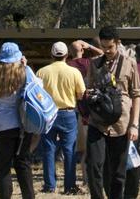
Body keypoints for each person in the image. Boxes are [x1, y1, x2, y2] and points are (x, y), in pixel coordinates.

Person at [86, 26, 140, 199]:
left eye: (110, 47)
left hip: (121, 124)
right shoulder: (94, 64)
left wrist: (134, 125)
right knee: (94, 165)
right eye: (103, 47)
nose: (107, 51)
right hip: (98, 122)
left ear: (118, 43)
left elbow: (136, 95)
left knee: (118, 172)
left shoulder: (130, 63)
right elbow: (88, 89)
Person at [0, 42, 39, 199]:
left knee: (3, 167)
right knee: (23, 164)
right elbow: (36, 88)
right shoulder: (24, 71)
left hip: (1, 124)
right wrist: (26, 66)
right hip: (22, 123)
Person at [37, 42, 86, 195]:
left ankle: (49, 185)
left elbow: (37, 95)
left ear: (51, 55)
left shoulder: (41, 72)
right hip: (68, 113)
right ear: (67, 55)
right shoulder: (74, 72)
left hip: (48, 114)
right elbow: (81, 94)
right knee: (69, 150)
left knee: (48, 149)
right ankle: (69, 186)